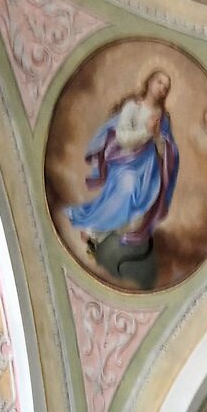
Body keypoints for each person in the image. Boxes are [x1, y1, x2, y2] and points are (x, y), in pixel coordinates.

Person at [66, 70, 179, 275]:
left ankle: (100, 235)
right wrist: (146, 132)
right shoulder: (132, 108)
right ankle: (93, 233)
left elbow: (164, 151)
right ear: (149, 82)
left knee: (134, 222)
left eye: (166, 86)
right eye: (159, 82)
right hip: (126, 164)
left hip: (149, 172)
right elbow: (123, 138)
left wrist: (157, 137)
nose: (162, 88)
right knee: (127, 188)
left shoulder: (164, 119)